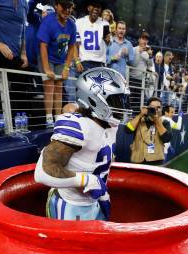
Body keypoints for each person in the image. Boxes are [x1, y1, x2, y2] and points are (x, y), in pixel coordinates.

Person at [34, 67, 130, 221]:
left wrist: (103, 193)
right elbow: (42, 173)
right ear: (95, 99)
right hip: (69, 205)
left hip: (93, 202)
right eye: (117, 100)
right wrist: (87, 180)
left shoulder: (110, 125)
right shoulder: (79, 126)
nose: (123, 107)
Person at [37, 0, 77, 128]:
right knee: (49, 87)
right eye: (64, 6)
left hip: (61, 59)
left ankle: (58, 118)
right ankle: (49, 119)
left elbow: (72, 47)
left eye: (69, 7)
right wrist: (47, 68)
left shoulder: (72, 24)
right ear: (56, 6)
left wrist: (66, 67)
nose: (67, 10)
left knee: (59, 88)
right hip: (46, 57)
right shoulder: (48, 21)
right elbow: (43, 46)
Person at [125, 97, 172, 165]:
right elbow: (127, 130)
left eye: (158, 107)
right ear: (147, 109)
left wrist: (157, 120)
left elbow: (167, 138)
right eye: (152, 107)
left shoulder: (165, 122)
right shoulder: (138, 120)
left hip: (156, 162)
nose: (155, 109)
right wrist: (140, 115)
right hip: (137, 160)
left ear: (161, 110)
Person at [74, 0, 110, 71]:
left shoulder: (105, 24)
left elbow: (107, 43)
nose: (96, 8)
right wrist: (77, 61)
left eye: (98, 7)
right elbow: (75, 45)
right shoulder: (79, 22)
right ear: (88, 8)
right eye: (93, 5)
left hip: (100, 63)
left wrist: (107, 40)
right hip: (85, 62)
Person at [128, 31, 152, 112]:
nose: (144, 41)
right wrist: (140, 52)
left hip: (142, 81)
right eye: (143, 39)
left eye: (146, 40)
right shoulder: (133, 50)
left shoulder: (147, 53)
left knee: (139, 104)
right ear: (139, 40)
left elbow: (150, 65)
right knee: (130, 102)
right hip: (132, 80)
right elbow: (133, 64)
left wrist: (150, 56)